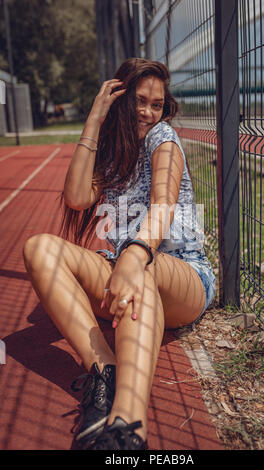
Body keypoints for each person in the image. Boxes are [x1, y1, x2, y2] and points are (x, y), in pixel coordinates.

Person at [22, 58, 216, 450]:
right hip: (123, 269)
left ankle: (128, 426)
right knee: (39, 248)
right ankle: (103, 370)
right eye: (139, 101)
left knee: (138, 266)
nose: (148, 111)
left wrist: (135, 253)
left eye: (156, 103)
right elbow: (77, 198)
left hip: (183, 275)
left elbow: (163, 204)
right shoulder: (111, 155)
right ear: (121, 100)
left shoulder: (163, 138)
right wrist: (94, 120)